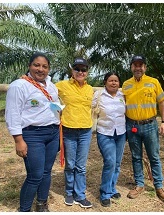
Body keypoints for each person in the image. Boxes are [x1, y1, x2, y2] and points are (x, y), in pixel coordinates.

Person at [5, 52, 60, 212]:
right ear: (30, 66)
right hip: (32, 135)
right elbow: (13, 114)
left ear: (49, 69)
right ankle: (24, 209)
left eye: (45, 66)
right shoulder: (19, 86)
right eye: (37, 65)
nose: (41, 69)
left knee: (46, 171)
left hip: (52, 133)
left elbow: (54, 106)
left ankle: (42, 204)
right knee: (35, 175)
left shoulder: (51, 85)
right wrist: (18, 140)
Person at [122, 55, 164, 202]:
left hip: (150, 125)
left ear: (145, 67)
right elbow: (122, 106)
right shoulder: (125, 85)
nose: (138, 68)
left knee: (154, 157)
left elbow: (162, 103)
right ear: (131, 67)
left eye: (141, 65)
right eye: (135, 65)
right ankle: (139, 185)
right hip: (132, 126)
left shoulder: (153, 82)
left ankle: (159, 186)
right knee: (136, 157)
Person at [56, 57, 94, 208]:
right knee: (70, 164)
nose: (80, 72)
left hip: (85, 131)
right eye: (77, 69)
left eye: (83, 69)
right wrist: (26, 79)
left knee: (81, 166)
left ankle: (80, 195)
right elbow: (43, 87)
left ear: (87, 72)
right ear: (72, 71)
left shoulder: (90, 89)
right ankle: (69, 192)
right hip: (69, 130)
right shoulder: (62, 85)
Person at [92, 72, 126, 207]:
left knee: (117, 163)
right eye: (111, 80)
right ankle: (104, 193)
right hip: (105, 133)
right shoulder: (98, 95)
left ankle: (112, 188)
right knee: (110, 162)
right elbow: (90, 110)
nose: (113, 83)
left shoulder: (122, 95)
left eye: (116, 81)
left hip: (121, 133)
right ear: (105, 82)